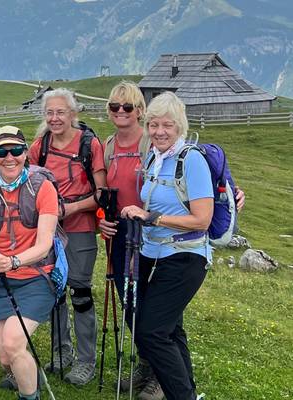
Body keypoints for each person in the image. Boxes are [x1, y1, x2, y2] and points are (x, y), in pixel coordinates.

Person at [120, 91, 213, 400]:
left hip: (185, 257)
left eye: (167, 126)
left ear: (180, 127)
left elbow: (202, 220)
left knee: (151, 332)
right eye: (153, 124)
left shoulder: (192, 160)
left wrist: (153, 218)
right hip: (152, 254)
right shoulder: (154, 157)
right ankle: (189, 394)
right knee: (171, 329)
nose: (159, 131)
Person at [0, 126, 60, 400]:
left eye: (16, 150)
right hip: (2, 280)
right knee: (5, 356)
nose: (10, 157)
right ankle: (30, 382)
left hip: (38, 276)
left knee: (14, 342)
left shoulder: (43, 188)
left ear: (25, 153)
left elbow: (44, 244)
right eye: (1, 151)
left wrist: (15, 261)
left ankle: (30, 396)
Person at [29, 88, 106, 386]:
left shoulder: (90, 144)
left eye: (60, 112)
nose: (55, 118)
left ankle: (86, 361)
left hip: (81, 226)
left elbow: (100, 193)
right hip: (49, 229)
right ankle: (62, 352)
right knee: (55, 291)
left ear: (73, 114)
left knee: (80, 292)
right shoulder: (40, 146)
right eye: (50, 112)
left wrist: (70, 207)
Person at [97, 81, 163, 399]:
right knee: (129, 301)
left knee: (153, 303)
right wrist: (102, 219)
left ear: (139, 110)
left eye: (127, 107)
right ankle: (147, 365)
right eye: (114, 107)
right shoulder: (108, 145)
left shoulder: (152, 141)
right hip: (120, 233)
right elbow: (103, 192)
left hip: (151, 231)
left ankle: (161, 373)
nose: (120, 112)